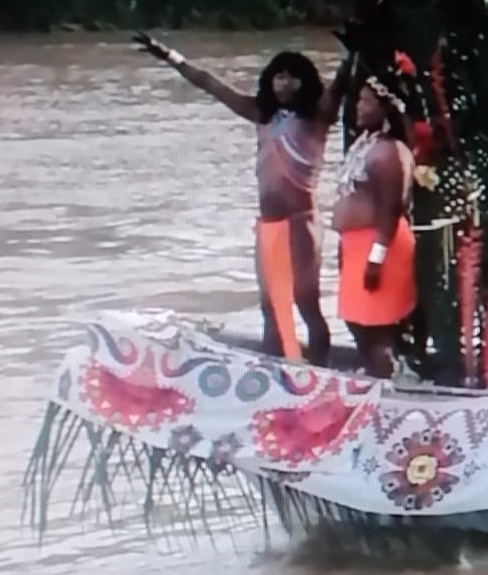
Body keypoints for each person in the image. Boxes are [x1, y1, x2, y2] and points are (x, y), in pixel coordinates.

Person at [132, 31, 350, 365]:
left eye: (293, 76)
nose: (286, 82)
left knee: (306, 303)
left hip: (302, 224)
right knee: (270, 306)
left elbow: (339, 86)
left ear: (305, 83)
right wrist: (169, 56)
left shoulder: (317, 117)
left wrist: (353, 55)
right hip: (270, 227)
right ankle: (280, 367)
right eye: (279, 75)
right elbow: (209, 83)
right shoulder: (260, 114)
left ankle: (320, 372)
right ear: (270, 81)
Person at [331, 67, 418, 377]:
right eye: (358, 100)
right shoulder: (366, 144)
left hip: (380, 246)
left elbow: (390, 208)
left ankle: (390, 388)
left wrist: (376, 257)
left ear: (385, 108)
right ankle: (379, 382)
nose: (358, 107)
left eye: (366, 102)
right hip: (358, 246)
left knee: (376, 328)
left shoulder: (391, 152)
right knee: (356, 323)